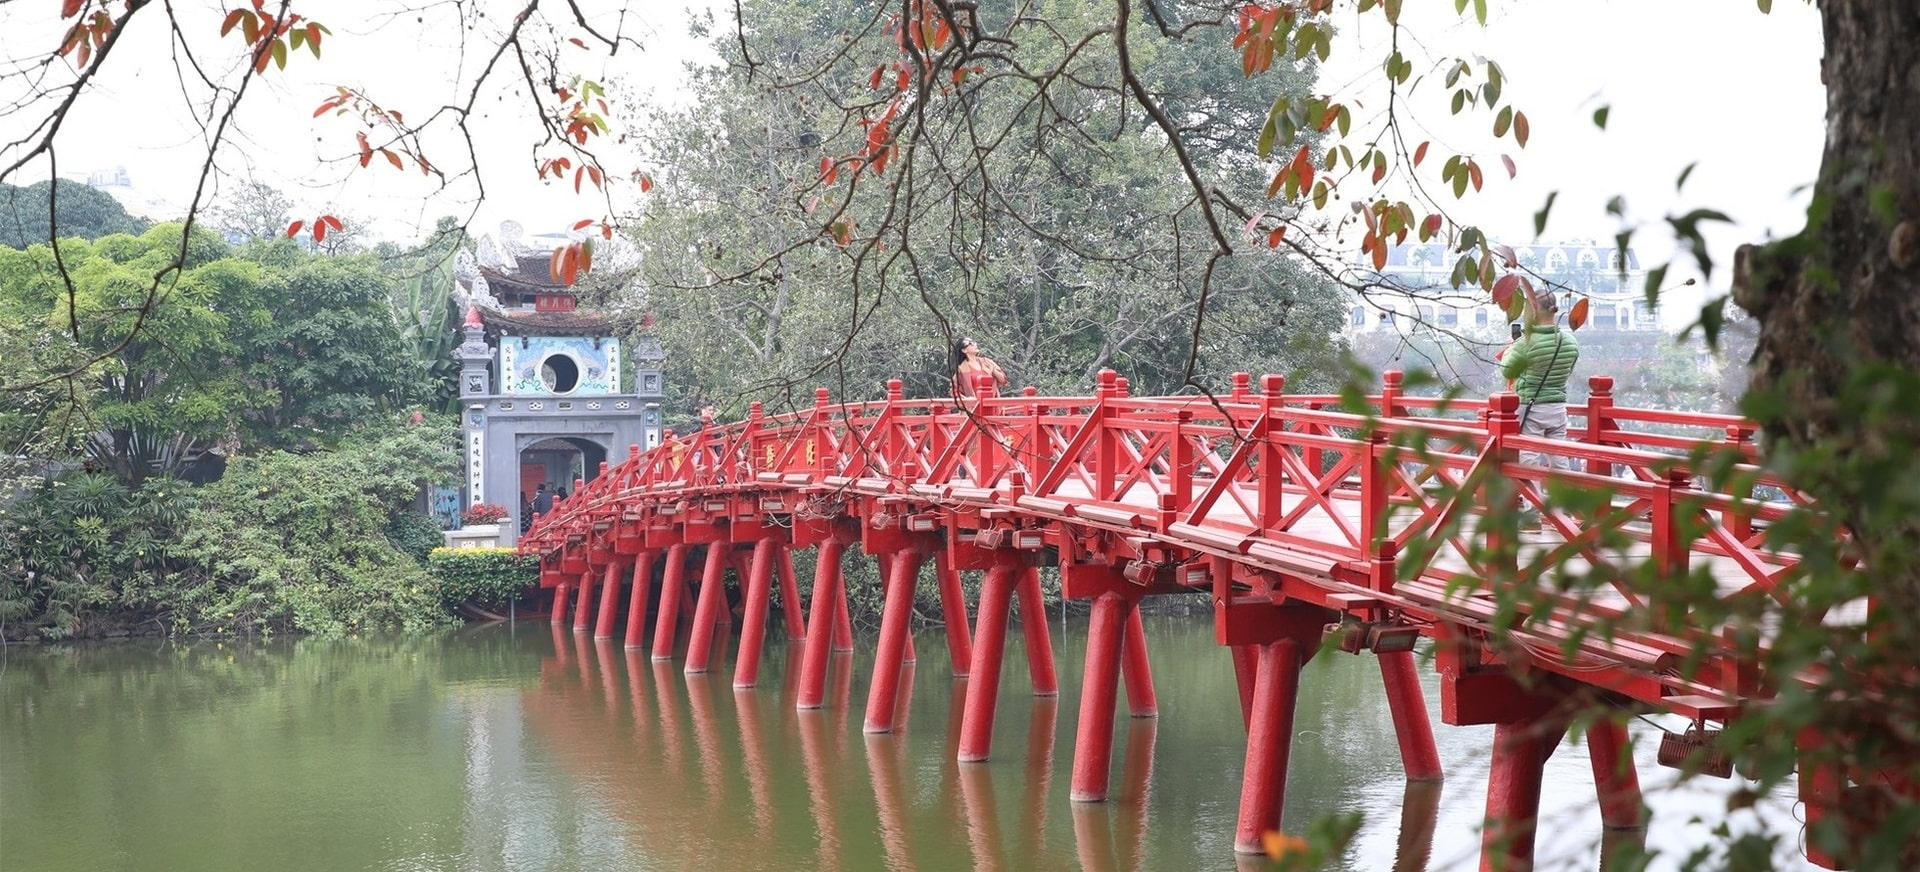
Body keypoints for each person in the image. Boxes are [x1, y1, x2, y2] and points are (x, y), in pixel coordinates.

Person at [1500, 293, 1580, 528]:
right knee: (1559, 460)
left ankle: (1533, 515)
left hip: (1531, 408)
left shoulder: (1526, 343)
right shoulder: (1570, 342)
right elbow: (1569, 368)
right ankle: (1563, 514)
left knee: (1528, 461)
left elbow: (1506, 370)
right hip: (1557, 407)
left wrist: (1511, 345)